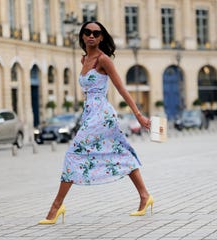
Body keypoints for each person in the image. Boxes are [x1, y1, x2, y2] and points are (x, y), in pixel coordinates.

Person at [38, 21, 153, 224]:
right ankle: (145, 196)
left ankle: (56, 206)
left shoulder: (103, 60)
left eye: (96, 33)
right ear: (82, 36)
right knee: (120, 151)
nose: (91, 36)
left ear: (101, 37)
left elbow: (121, 89)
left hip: (102, 115)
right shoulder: (83, 59)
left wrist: (138, 115)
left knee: (73, 153)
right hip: (89, 113)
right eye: (87, 32)